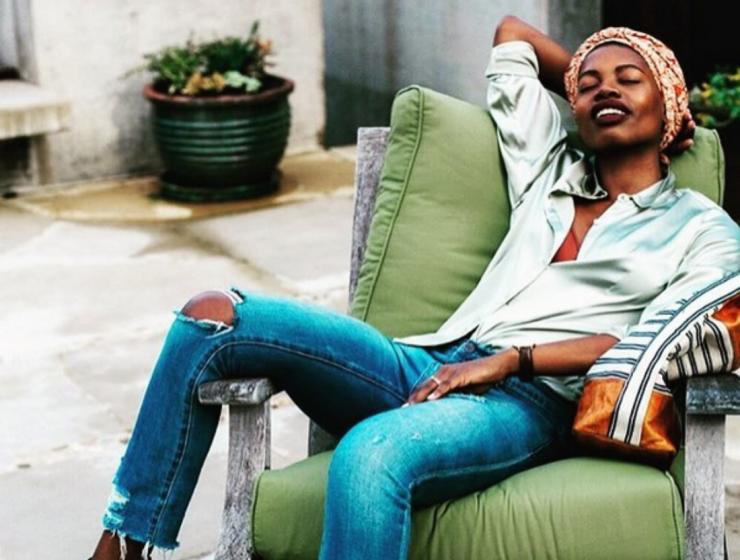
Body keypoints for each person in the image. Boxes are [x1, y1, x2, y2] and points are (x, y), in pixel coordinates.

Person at [90, 15, 740, 560]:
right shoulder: (547, 171)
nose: (606, 91)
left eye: (630, 81)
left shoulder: (699, 228)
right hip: (431, 361)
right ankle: (123, 543)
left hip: (528, 402)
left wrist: (511, 362)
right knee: (214, 316)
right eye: (589, 86)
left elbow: (674, 338)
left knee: (373, 451)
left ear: (670, 102)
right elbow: (512, 35)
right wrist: (597, 75)